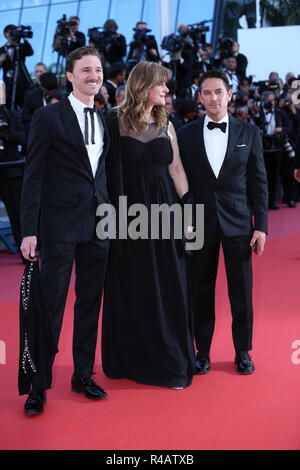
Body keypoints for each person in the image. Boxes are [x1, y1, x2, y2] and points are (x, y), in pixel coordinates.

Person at [20, 46, 111, 415]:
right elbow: (33, 175)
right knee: (52, 306)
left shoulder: (105, 119)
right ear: (70, 76)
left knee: (90, 303)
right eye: (86, 69)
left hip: (99, 226)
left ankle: (83, 373)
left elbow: (103, 177)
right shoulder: (49, 117)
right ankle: (39, 385)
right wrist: (29, 229)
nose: (94, 75)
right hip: (58, 227)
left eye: (98, 69)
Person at [102, 61, 195, 389]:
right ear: (143, 85)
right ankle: (133, 357)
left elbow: (177, 171)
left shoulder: (167, 122)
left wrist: (189, 216)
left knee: (167, 284)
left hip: (165, 213)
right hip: (127, 217)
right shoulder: (112, 120)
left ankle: (169, 359)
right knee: (134, 285)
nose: (167, 90)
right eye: (162, 84)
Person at [177, 69, 268, 376]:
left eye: (219, 92)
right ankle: (201, 351)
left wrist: (261, 226)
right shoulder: (185, 133)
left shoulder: (249, 132)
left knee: (241, 291)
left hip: (238, 223)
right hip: (199, 223)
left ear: (230, 95)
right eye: (207, 93)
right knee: (200, 289)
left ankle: (243, 350)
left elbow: (258, 182)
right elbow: (178, 179)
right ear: (199, 97)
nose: (213, 98)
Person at [0, 80, 26, 252]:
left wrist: (7, 133)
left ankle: (26, 252)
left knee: (17, 215)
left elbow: (25, 139)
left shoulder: (12, 115)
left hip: (10, 170)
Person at [0, 24, 34, 109]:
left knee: (23, 104)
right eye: (11, 32)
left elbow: (30, 52)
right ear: (6, 34)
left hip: (22, 80)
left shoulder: (21, 46)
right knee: (8, 104)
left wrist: (24, 38)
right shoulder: (1, 50)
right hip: (8, 81)